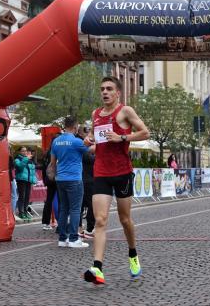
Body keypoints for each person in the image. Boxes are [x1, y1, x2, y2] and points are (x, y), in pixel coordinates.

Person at [83, 76, 150, 285]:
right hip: (101, 172)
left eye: (109, 89)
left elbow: (145, 132)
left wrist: (122, 137)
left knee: (124, 220)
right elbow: (99, 144)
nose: (105, 92)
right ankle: (98, 268)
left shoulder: (125, 111)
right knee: (100, 220)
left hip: (122, 173)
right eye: (102, 89)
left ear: (117, 93)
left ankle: (132, 254)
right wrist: (89, 141)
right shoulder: (95, 114)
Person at [50, 116, 90, 248]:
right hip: (74, 179)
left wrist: (56, 175)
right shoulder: (76, 141)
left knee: (63, 210)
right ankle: (73, 239)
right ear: (75, 127)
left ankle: (62, 239)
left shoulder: (56, 141)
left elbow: (52, 162)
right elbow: (91, 151)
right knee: (75, 209)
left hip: (60, 179)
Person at [77, 125, 95, 239]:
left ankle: (84, 228)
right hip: (87, 180)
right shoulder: (83, 145)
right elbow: (89, 159)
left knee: (81, 206)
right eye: (88, 133)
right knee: (89, 206)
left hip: (87, 179)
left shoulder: (86, 145)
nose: (90, 136)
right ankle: (88, 229)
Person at [41, 134, 60, 231]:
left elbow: (44, 168)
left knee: (49, 200)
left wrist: (45, 180)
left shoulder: (46, 152)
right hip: (57, 178)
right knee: (60, 200)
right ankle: (60, 221)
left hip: (49, 179)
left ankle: (45, 222)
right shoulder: (56, 151)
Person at [14, 146, 37, 221]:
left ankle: (25, 211)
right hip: (21, 180)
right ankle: (21, 212)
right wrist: (26, 158)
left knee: (27, 197)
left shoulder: (29, 160)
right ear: (19, 152)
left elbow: (32, 171)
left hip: (28, 180)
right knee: (22, 197)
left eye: (25, 151)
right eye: (23, 151)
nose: (24, 152)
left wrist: (33, 180)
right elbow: (20, 167)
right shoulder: (17, 159)